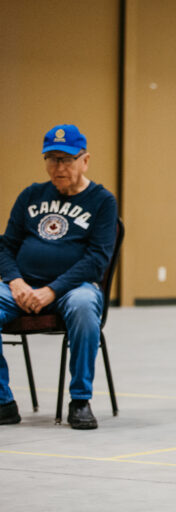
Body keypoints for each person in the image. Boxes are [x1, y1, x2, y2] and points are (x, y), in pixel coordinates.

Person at [0, 124, 118, 429]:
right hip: (22, 289)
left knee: (83, 306)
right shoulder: (31, 195)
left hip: (72, 289)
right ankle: (3, 401)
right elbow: (5, 247)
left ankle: (80, 400)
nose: (58, 167)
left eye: (66, 159)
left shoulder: (102, 202)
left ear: (85, 160)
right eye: (51, 159)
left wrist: (51, 291)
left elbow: (96, 260)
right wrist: (16, 282)